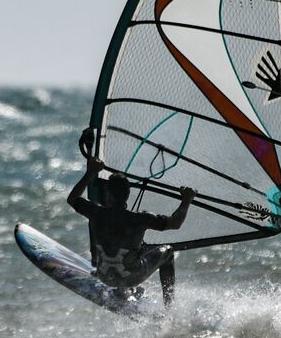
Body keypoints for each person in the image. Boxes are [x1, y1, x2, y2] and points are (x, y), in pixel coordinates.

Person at [67, 127, 195, 307]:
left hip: (104, 275)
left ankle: (118, 289)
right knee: (167, 252)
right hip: (132, 276)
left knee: (129, 245)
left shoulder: (95, 212)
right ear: (128, 195)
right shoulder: (140, 219)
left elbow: (72, 199)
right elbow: (175, 223)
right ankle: (169, 307)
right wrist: (186, 200)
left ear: (108, 195)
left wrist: (90, 172)